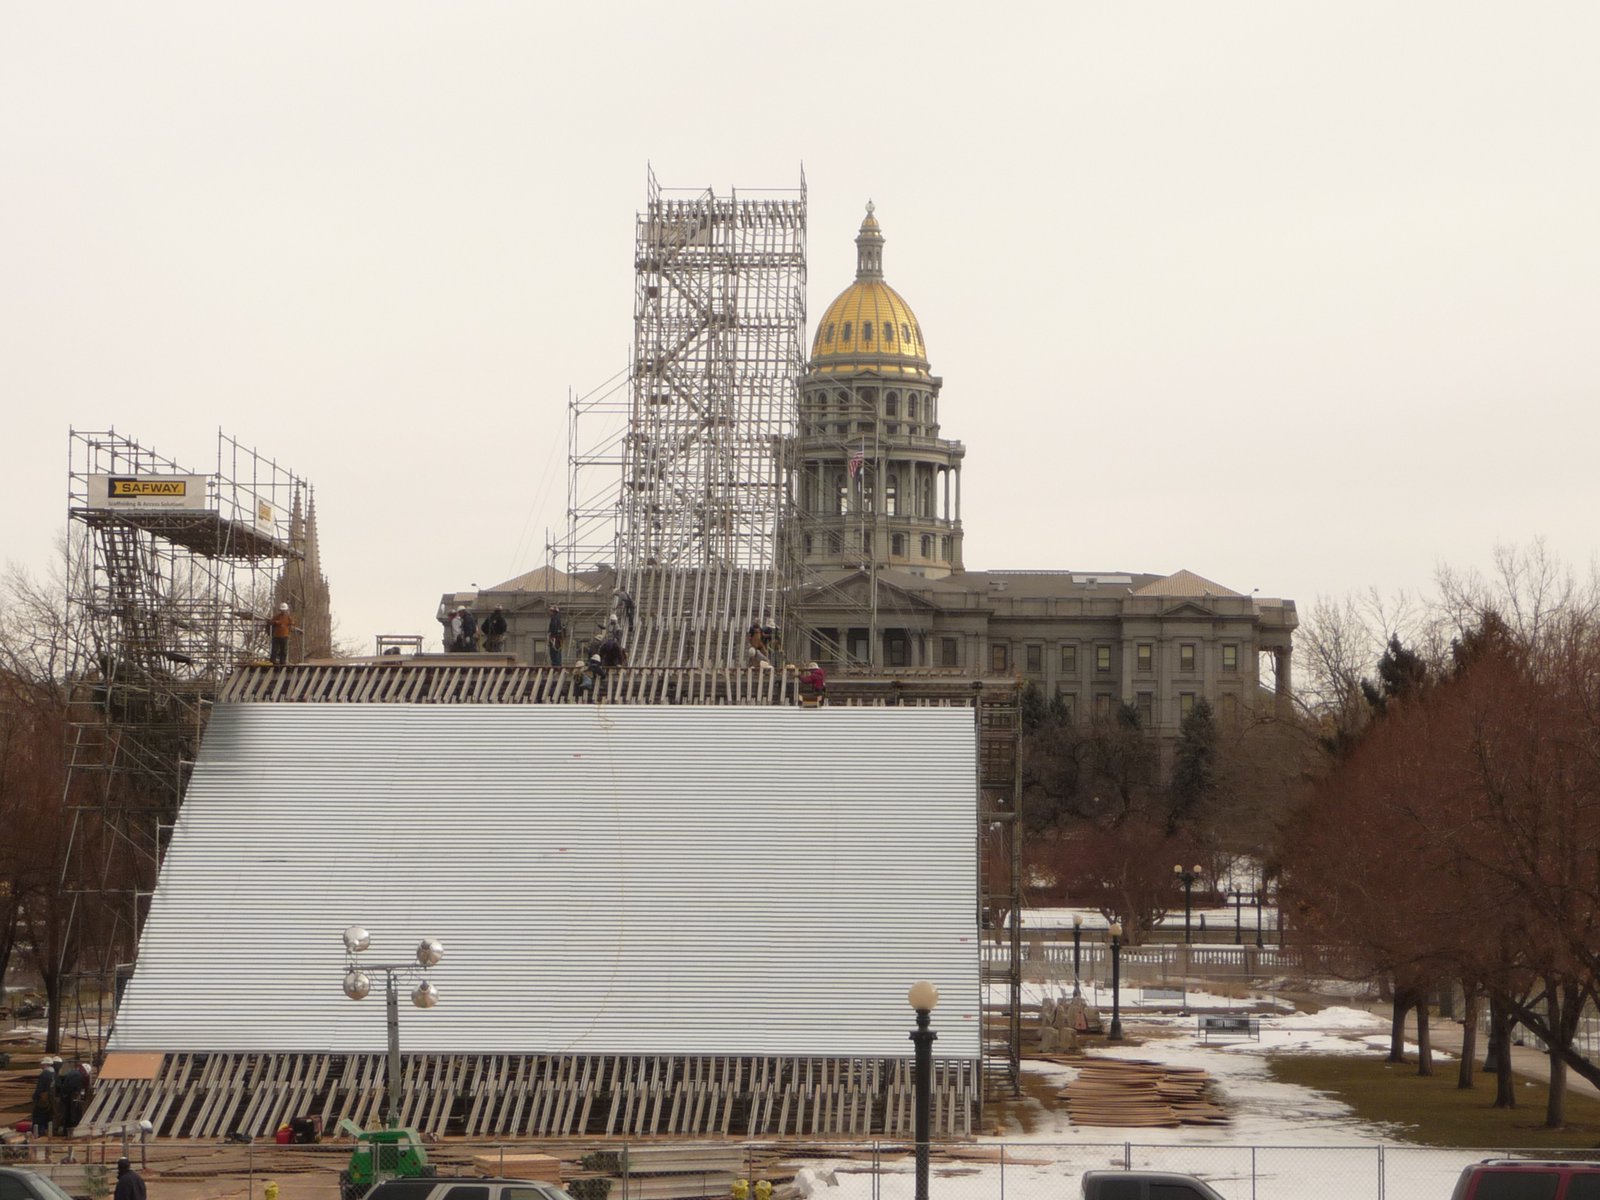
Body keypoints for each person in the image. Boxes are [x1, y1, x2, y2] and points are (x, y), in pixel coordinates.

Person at [30, 1054, 56, 1137]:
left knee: (38, 1116)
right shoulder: (54, 1073)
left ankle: (38, 1133)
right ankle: (46, 1131)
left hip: (43, 1099)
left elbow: (40, 1088)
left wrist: (35, 1096)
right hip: (51, 1099)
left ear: (45, 1064)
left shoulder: (45, 1074)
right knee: (48, 1116)